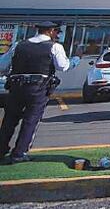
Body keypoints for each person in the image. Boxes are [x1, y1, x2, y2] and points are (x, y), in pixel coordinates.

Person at [0, 21, 79, 162]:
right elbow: (63, 66)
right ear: (50, 31)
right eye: (56, 32)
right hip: (37, 88)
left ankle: (1, 149)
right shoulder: (55, 47)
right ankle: (19, 153)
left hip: (16, 86)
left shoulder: (19, 45)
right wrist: (76, 59)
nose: (57, 35)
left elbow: (2, 65)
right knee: (31, 120)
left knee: (9, 119)